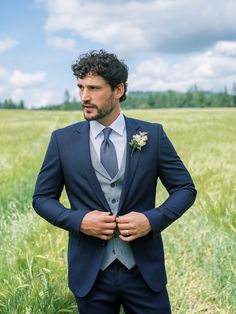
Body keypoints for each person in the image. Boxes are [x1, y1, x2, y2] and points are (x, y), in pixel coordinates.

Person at [32, 49, 197, 314]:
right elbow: (41, 199)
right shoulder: (62, 140)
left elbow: (185, 189)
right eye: (81, 87)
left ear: (118, 90)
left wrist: (151, 220)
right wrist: (79, 221)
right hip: (90, 275)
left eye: (94, 88)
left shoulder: (151, 135)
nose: (84, 96)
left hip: (144, 272)